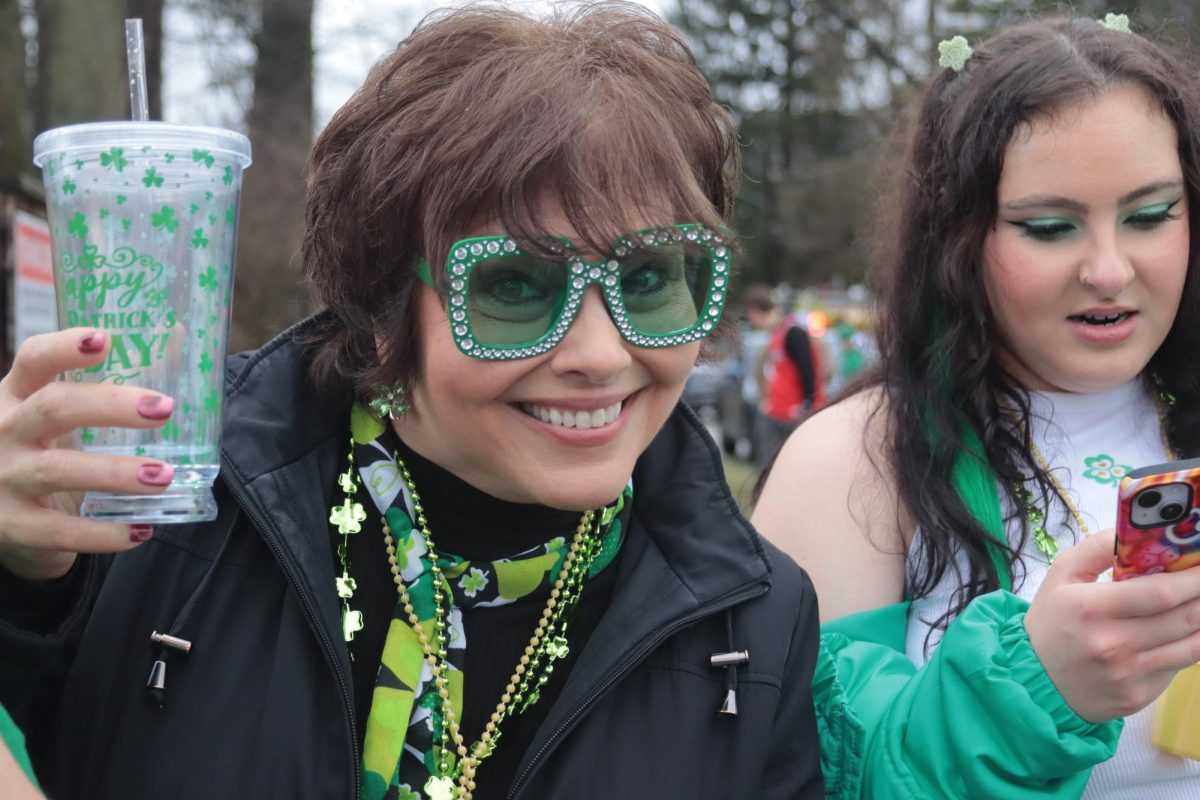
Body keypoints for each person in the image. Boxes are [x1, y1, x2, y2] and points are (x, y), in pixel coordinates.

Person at [0, 5, 824, 799]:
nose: (601, 356)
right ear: (383, 311)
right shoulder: (158, 513)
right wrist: (20, 570)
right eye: (515, 284)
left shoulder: (756, 622)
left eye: (649, 277)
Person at [755, 14, 1200, 798]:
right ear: (956, 239)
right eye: (1051, 227)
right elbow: (803, 774)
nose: (1108, 268)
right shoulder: (854, 462)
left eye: (1150, 214)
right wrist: (1035, 691)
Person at [757, 303, 825, 467]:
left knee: (788, 463)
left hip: (793, 411)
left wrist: (806, 404)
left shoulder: (794, 333)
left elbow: (807, 369)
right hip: (780, 409)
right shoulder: (779, 334)